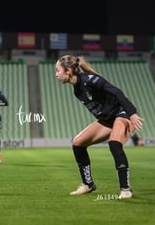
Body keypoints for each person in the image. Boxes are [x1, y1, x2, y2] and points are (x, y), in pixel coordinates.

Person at [55, 55, 144, 199]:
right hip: (108, 119)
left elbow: (117, 92)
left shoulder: (89, 80)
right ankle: (88, 184)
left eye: (58, 70)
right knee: (78, 143)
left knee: (114, 143)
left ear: (68, 71)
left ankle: (125, 189)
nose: (56, 74)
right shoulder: (77, 89)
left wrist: (132, 113)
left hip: (122, 113)